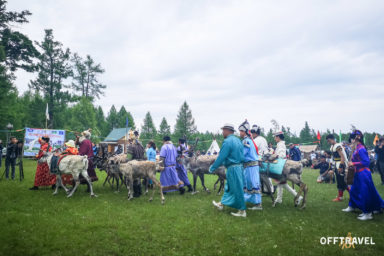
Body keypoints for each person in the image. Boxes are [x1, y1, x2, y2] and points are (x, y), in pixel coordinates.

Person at [342, 130, 384, 220]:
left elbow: (366, 162)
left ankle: (368, 213)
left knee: (365, 192)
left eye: (352, 139)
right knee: (353, 190)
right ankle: (352, 206)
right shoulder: (356, 148)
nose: (351, 141)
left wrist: (353, 163)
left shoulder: (361, 148)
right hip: (357, 173)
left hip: (363, 173)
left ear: (357, 139)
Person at [210, 123, 246, 217]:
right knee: (229, 188)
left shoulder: (227, 141)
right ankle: (221, 204)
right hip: (239, 167)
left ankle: (242, 211)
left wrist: (213, 167)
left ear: (227, 131)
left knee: (237, 189)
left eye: (223, 130)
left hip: (233, 168)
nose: (222, 132)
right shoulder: (238, 140)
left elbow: (221, 157)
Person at [274, 132, 303, 205]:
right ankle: (279, 198)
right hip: (281, 166)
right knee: (280, 183)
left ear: (278, 137)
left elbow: (281, 155)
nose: (274, 138)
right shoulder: (280, 144)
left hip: (281, 166)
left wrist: (274, 156)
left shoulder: (280, 144)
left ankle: (298, 197)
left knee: (282, 184)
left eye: (275, 137)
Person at [239, 120, 262, 210]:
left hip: (251, 166)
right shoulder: (249, 140)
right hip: (250, 166)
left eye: (240, 131)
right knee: (250, 183)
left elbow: (242, 154)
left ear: (244, 131)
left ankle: (258, 204)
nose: (239, 133)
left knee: (253, 183)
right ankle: (253, 202)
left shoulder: (246, 141)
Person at [326, 134, 349, 202]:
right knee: (339, 181)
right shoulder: (333, 146)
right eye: (328, 141)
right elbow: (334, 158)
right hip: (337, 164)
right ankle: (340, 197)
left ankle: (353, 195)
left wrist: (341, 166)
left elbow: (342, 157)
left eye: (329, 140)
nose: (328, 142)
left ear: (332, 139)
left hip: (341, 164)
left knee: (343, 182)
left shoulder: (337, 146)